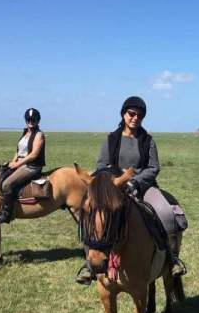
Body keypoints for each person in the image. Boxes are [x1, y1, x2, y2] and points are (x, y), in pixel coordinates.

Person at [76, 96, 186, 284]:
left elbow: (153, 168)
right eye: (131, 114)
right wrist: (114, 182)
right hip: (114, 188)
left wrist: (135, 182)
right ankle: (90, 264)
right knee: (91, 216)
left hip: (143, 187)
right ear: (123, 114)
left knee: (166, 213)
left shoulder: (147, 140)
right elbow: (101, 165)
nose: (135, 118)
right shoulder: (111, 139)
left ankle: (171, 258)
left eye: (140, 115)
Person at [0, 108, 45, 224]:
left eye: (33, 120)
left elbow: (33, 154)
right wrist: (12, 162)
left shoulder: (39, 135)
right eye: (28, 119)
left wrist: (17, 164)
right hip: (21, 164)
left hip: (31, 166)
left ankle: (7, 214)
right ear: (25, 121)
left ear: (38, 121)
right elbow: (19, 151)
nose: (30, 122)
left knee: (7, 184)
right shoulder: (25, 133)